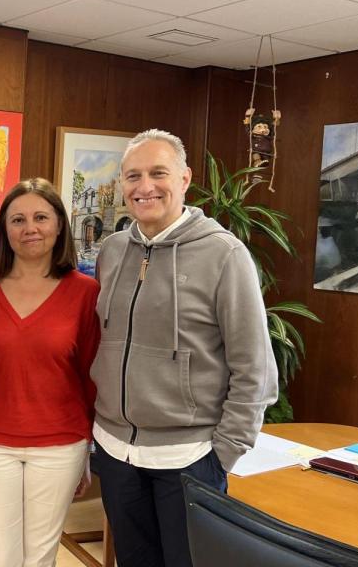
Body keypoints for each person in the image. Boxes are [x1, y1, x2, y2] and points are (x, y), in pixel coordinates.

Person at [90, 129, 278, 567]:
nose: (144, 186)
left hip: (189, 458)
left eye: (158, 173)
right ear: (122, 184)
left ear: (185, 178)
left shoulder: (224, 255)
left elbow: (256, 369)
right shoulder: (114, 250)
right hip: (117, 453)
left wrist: (223, 454)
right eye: (132, 175)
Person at [0, 178, 101, 567]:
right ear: (4, 230)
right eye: (17, 219)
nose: (29, 228)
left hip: (60, 444)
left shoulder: (86, 293)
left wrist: (86, 452)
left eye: (40, 217)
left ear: (60, 225)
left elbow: (90, 380)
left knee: (39, 558)